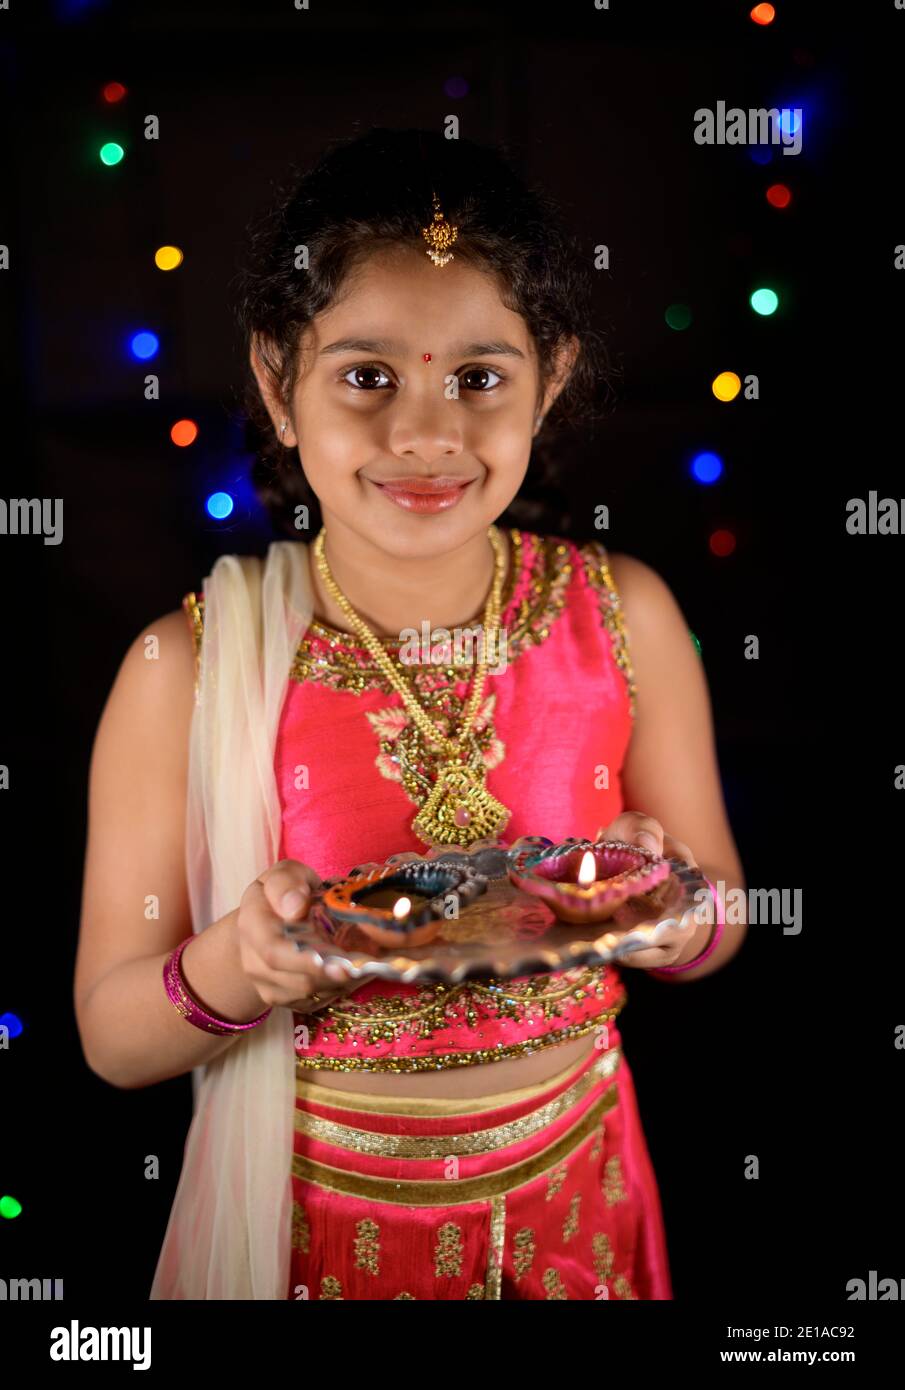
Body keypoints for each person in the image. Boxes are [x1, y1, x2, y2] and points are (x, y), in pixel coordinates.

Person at [74, 127, 747, 1301]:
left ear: (555, 378)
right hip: (319, 1233)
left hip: (576, 1201)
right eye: (367, 376)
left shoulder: (618, 614)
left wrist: (662, 899)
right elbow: (111, 1032)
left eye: (478, 378)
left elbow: (722, 914)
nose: (424, 434)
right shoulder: (187, 664)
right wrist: (241, 961)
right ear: (279, 384)